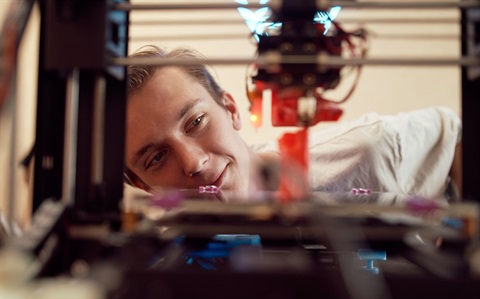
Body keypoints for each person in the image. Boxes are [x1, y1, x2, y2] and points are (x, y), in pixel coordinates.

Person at [124, 45, 462, 201]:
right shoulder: (159, 267)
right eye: (156, 158)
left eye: (196, 121)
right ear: (143, 186)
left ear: (230, 108)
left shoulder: (368, 150)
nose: (193, 162)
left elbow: (457, 138)